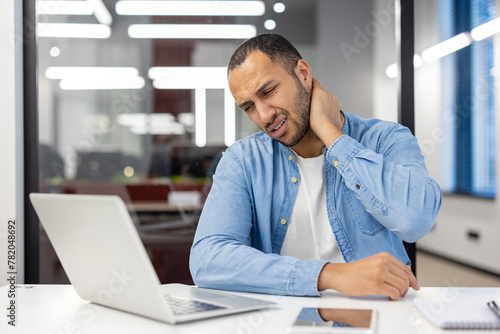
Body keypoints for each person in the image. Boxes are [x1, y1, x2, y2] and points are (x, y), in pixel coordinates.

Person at [189, 33, 442, 300]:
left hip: (375, 316)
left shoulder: (386, 139)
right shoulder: (243, 161)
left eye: (269, 91)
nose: (263, 115)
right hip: (282, 321)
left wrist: (330, 133)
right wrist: (328, 275)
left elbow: (417, 219)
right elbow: (208, 259)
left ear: (303, 73)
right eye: (249, 107)